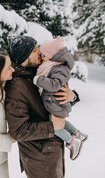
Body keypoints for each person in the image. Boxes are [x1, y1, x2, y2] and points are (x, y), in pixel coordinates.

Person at [5, 35, 80, 178]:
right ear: (24, 56)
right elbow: (18, 131)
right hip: (38, 157)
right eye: (34, 50)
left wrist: (72, 96)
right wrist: (52, 127)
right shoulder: (16, 87)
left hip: (51, 150)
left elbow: (55, 99)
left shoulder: (39, 71)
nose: (39, 51)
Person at [33, 36, 87, 160]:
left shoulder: (59, 69)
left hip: (56, 103)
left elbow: (55, 85)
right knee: (59, 122)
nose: (42, 58)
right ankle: (78, 133)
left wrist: (38, 80)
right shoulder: (53, 67)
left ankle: (72, 141)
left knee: (54, 127)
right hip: (54, 103)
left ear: (52, 56)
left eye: (44, 56)